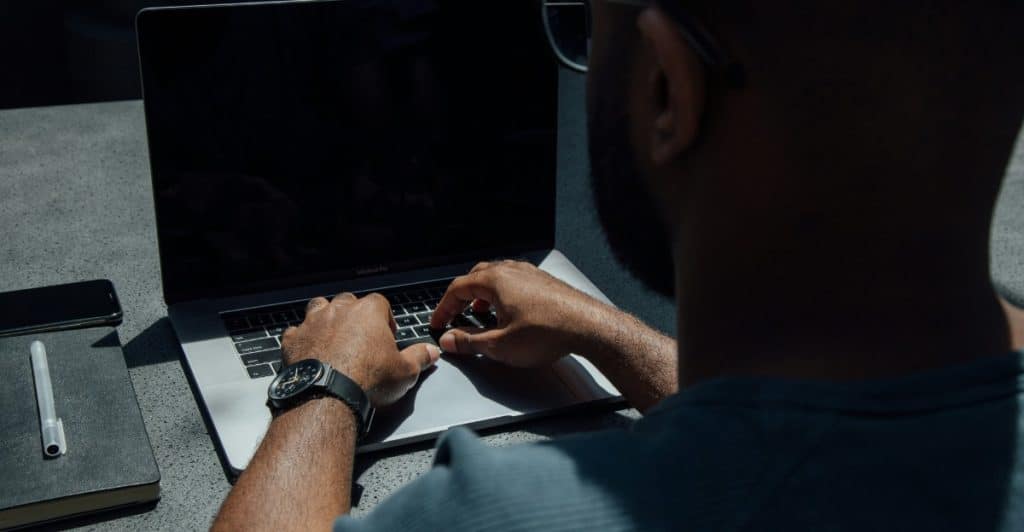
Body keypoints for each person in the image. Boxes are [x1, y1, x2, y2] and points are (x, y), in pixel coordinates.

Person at [212, 1, 1024, 530]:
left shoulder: (507, 515)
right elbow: (840, 444)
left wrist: (323, 385)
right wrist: (605, 331)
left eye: (583, 23)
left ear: (668, 89)